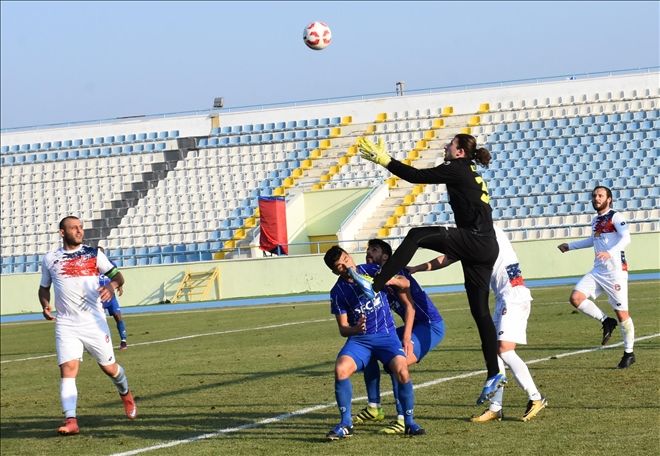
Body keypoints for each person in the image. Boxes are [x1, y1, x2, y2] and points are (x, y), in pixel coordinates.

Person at [357, 134, 503, 404]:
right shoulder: (467, 169)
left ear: (459, 152)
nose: (445, 147)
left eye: (450, 144)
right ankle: (493, 372)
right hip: (486, 246)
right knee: (480, 312)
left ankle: (375, 285)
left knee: (416, 235)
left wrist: (385, 160)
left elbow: (414, 176)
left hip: (474, 239)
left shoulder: (457, 168)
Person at [409, 226, 547, 422]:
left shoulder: (486, 231)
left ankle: (536, 397)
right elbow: (448, 257)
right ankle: (495, 407)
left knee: (504, 349)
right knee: (494, 350)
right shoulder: (476, 236)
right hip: (504, 297)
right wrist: (417, 268)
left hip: (515, 296)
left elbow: (449, 257)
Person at [38, 216, 137, 435]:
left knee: (109, 368)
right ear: (62, 232)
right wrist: (45, 305)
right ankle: (71, 420)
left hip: (93, 322)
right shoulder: (50, 258)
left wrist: (111, 286)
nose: (79, 231)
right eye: (74, 228)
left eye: (80, 227)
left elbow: (117, 276)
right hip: (66, 323)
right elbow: (44, 287)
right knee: (68, 370)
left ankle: (126, 394)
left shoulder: (94, 254)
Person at [323, 245, 425, 439]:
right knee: (341, 369)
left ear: (349, 256)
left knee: (402, 369)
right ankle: (346, 424)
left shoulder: (372, 271)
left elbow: (405, 283)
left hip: (386, 337)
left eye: (346, 260)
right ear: (334, 271)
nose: (346, 266)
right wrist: (355, 329)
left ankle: (409, 422)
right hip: (360, 341)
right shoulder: (338, 292)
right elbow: (343, 329)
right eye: (340, 266)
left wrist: (390, 280)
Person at [352, 239, 445, 434]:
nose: (369, 253)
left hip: (429, 326)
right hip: (412, 326)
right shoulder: (375, 275)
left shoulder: (395, 272)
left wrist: (405, 338)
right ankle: (374, 407)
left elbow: (410, 308)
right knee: (369, 349)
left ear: (385, 256)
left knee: (397, 362)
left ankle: (403, 419)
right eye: (368, 250)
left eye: (374, 250)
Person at [558, 185, 634, 368]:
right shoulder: (596, 220)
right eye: (594, 195)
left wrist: (610, 252)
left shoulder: (616, 216)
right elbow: (593, 240)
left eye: (600, 195)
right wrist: (571, 246)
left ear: (609, 199)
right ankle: (606, 321)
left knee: (622, 314)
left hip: (615, 273)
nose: (596, 198)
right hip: (598, 270)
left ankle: (629, 353)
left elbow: (626, 238)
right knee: (576, 298)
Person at [98, 246, 128, 350]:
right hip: (98, 298)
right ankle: (102, 344)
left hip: (111, 297)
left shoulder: (110, 265)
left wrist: (120, 286)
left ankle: (123, 341)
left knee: (118, 317)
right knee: (99, 321)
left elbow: (117, 276)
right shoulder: (91, 266)